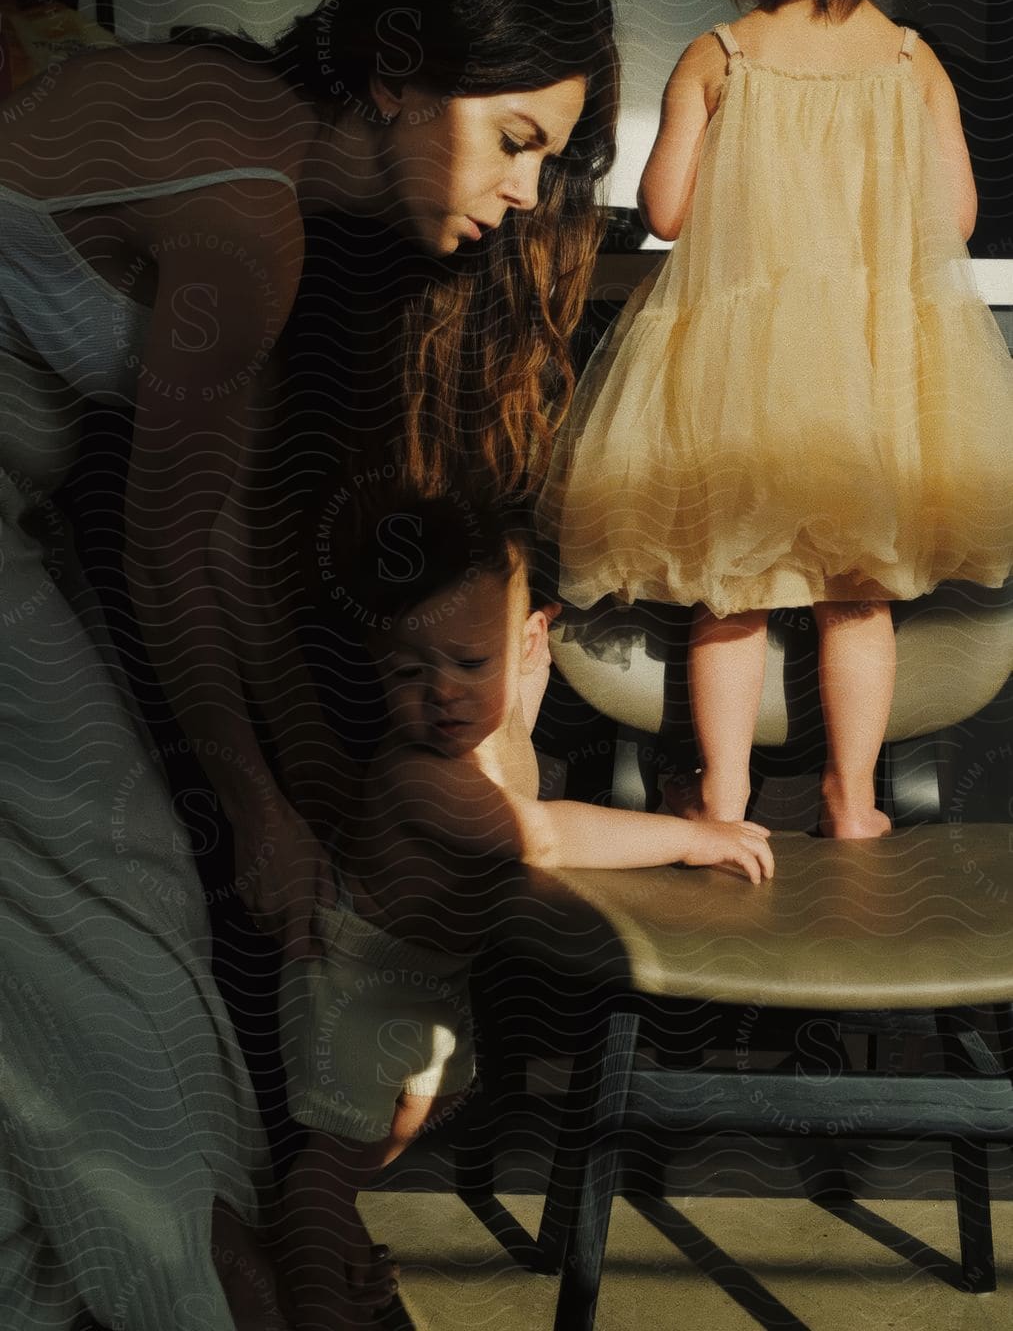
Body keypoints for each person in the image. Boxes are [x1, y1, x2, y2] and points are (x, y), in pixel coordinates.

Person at [0, 0, 618, 1329]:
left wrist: (309, 793)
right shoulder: (249, 215)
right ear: (397, 76)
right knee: (138, 894)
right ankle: (226, 1297)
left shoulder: (241, 135)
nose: (529, 195)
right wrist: (262, 814)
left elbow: (218, 551)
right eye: (517, 139)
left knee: (50, 937)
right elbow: (167, 563)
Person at [539, 0, 1013, 842]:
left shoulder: (722, 53)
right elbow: (958, 212)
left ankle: (719, 796)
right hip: (872, 379)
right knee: (861, 597)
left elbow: (661, 211)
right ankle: (850, 798)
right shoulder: (908, 57)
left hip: (737, 382)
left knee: (726, 594)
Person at [270, 488, 774, 1330]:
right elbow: (537, 834)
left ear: (527, 642)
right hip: (359, 986)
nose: (441, 696)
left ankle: (314, 1221)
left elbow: (516, 730)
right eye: (406, 672)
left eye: (469, 664)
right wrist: (693, 839)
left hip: (427, 983)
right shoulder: (419, 773)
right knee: (333, 1159)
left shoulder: (495, 715)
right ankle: (306, 1258)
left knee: (399, 1119)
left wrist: (529, 670)